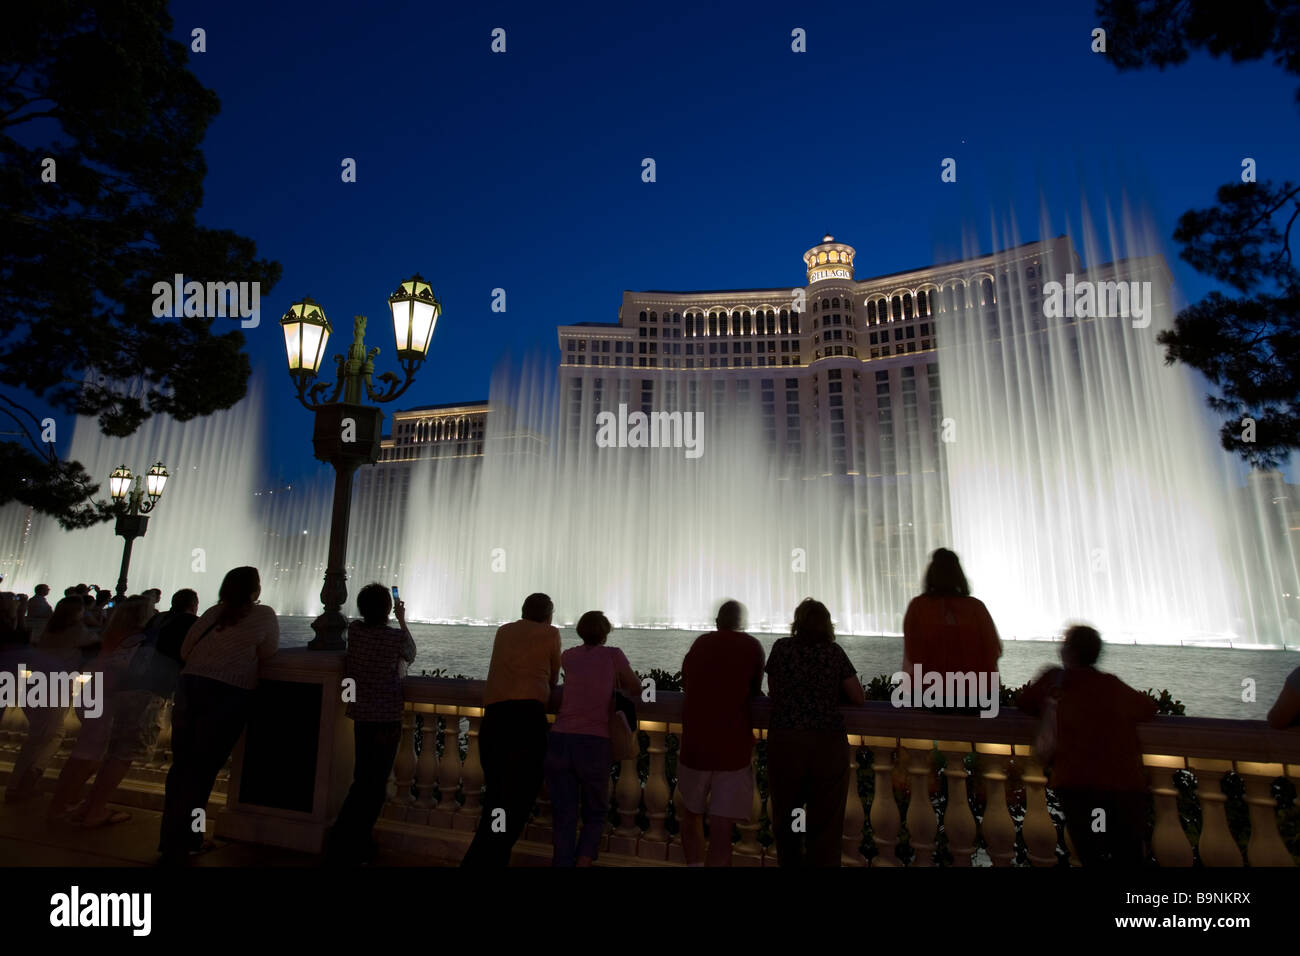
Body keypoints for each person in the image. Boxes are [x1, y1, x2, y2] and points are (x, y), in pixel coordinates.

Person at [158, 567, 279, 863]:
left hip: (189, 688)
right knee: (203, 771)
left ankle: (170, 840)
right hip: (228, 695)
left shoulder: (213, 612)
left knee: (181, 767)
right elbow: (269, 652)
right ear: (254, 590)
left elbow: (186, 649)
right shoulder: (263, 615)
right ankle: (191, 839)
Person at [1017, 624, 1157, 866]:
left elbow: (1024, 701)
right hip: (1124, 787)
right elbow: (1148, 708)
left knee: (1091, 854)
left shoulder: (1055, 682)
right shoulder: (1111, 685)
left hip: (1079, 786)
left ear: (1068, 651)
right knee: (1128, 855)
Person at [75, 589, 201, 828]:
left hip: (124, 688)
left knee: (113, 753)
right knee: (123, 756)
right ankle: (95, 812)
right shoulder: (190, 623)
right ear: (194, 605)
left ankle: (88, 806)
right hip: (150, 692)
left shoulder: (158, 618)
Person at [461, 592, 561, 868]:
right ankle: (485, 860)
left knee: (496, 797)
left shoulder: (503, 632)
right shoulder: (551, 634)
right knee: (518, 800)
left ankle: (487, 859)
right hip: (526, 722)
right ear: (549, 615)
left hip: (495, 720)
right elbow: (553, 677)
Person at [765, 598, 864, 867]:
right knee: (827, 823)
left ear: (797, 623)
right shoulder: (833, 653)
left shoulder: (782, 649)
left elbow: (773, 691)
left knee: (786, 818)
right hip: (826, 745)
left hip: (786, 742)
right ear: (826, 625)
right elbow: (858, 696)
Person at [329, 583, 416, 865]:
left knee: (362, 779)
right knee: (375, 784)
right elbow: (411, 653)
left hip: (362, 714)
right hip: (386, 716)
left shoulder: (354, 632)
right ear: (388, 608)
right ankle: (354, 840)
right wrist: (402, 619)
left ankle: (344, 837)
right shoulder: (394, 638)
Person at [543, 610, 639, 867]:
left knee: (564, 813)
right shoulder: (613, 655)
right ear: (605, 633)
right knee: (595, 812)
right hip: (594, 742)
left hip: (561, 739)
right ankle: (583, 862)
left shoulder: (568, 656)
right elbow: (635, 686)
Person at [46, 597, 154, 822]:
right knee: (88, 757)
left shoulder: (112, 631)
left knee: (84, 754)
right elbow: (124, 668)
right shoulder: (135, 639)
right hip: (105, 699)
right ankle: (66, 808)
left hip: (92, 693)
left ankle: (64, 805)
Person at [677, 599, 765, 866]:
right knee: (722, 828)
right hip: (733, 750)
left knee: (690, 815)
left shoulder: (701, 644)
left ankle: (693, 864)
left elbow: (686, 679)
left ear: (717, 622)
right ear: (743, 624)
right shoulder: (752, 646)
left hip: (695, 746)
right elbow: (754, 690)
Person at [3, 596, 89, 803]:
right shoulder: (79, 632)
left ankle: (30, 776)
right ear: (78, 613)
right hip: (53, 688)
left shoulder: (49, 630)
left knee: (53, 733)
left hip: (33, 686)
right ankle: (18, 785)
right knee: (40, 737)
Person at [901, 548, 1002, 703]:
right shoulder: (976, 608)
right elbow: (993, 649)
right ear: (959, 575)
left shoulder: (918, 607)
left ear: (931, 574)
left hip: (930, 693)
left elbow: (913, 653)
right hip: (976, 695)